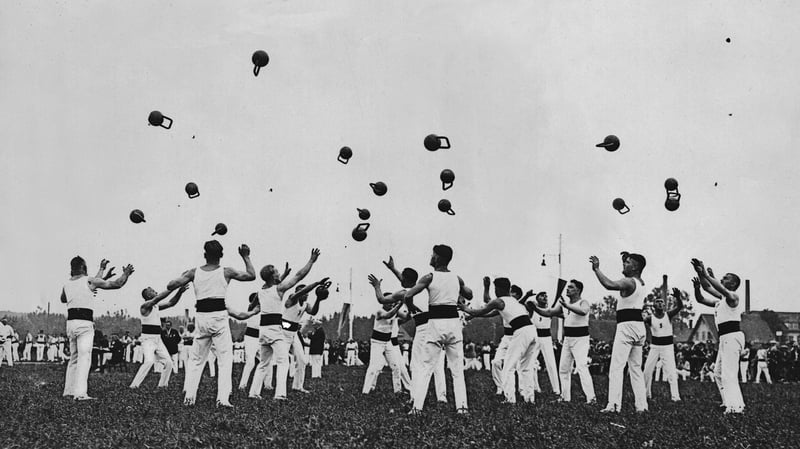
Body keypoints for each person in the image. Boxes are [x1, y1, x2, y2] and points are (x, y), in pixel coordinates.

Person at [167, 240, 256, 407]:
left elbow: (170, 285)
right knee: (224, 359)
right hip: (219, 317)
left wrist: (185, 275)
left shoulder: (194, 272)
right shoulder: (226, 271)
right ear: (221, 255)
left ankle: (189, 398)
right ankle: (222, 399)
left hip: (202, 318)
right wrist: (246, 256)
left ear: (204, 255)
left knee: (196, 360)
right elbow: (251, 275)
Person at [404, 244, 473, 414]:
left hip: (435, 324)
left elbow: (407, 295)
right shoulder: (457, 278)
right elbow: (470, 294)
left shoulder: (429, 277)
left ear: (438, 258)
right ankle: (462, 407)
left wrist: (411, 307)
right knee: (457, 370)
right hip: (453, 324)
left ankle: (417, 408)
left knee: (426, 367)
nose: (431, 257)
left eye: (433, 255)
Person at [248, 249, 321, 401]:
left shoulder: (261, 291)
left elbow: (252, 307)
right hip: (276, 330)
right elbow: (299, 275)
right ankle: (280, 395)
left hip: (264, 330)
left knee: (263, 363)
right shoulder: (280, 289)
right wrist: (311, 261)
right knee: (283, 362)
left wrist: (284, 275)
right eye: (276, 272)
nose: (278, 273)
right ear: (272, 276)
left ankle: (253, 393)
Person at [61, 256, 134, 399]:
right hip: (84, 323)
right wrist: (126, 273)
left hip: (71, 323)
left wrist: (101, 269)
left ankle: (68, 391)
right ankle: (80, 393)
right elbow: (116, 284)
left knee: (74, 358)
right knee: (84, 357)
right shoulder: (89, 280)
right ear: (83, 267)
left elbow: (63, 299)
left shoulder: (67, 284)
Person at [380, 256, 447, 404]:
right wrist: (393, 269)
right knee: (437, 364)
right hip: (436, 325)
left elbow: (383, 299)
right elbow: (406, 282)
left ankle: (415, 397)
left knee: (416, 365)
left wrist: (376, 287)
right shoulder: (422, 289)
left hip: (423, 328)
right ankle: (442, 397)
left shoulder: (407, 292)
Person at [461, 277, 537, 404]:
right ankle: (530, 399)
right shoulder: (512, 301)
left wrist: (465, 308)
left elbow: (482, 309)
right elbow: (487, 313)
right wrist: (471, 315)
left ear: (498, 289)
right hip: (532, 331)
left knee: (508, 367)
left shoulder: (500, 301)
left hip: (521, 332)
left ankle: (509, 399)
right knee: (525, 367)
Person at [590, 252, 648, 413]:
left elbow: (609, 284)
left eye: (628, 262)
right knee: (636, 369)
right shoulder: (640, 282)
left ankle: (614, 405)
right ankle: (642, 406)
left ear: (635, 266)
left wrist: (596, 269)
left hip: (627, 327)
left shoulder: (629, 282)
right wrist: (626, 260)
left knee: (616, 367)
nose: (624, 264)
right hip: (638, 326)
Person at [691, 259, 745, 414]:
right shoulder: (720, 301)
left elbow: (714, 285)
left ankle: (735, 407)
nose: (722, 279)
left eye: (726, 278)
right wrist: (700, 273)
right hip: (724, 338)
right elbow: (704, 292)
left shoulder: (733, 297)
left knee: (729, 372)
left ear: (733, 284)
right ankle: (728, 402)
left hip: (732, 336)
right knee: (718, 373)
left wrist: (706, 274)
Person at [532, 280, 595, 404]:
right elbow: (549, 312)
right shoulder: (563, 305)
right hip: (568, 339)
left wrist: (567, 306)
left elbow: (583, 311)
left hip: (581, 339)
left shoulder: (583, 302)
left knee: (582, 367)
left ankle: (591, 398)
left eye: (571, 287)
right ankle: (565, 397)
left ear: (578, 290)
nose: (567, 289)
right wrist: (535, 308)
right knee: (563, 369)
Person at [130, 285, 188, 389]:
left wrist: (179, 292)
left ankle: (162, 385)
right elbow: (158, 298)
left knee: (169, 363)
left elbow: (171, 303)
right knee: (149, 361)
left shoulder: (156, 306)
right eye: (152, 290)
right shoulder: (145, 306)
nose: (155, 291)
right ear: (148, 295)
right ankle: (134, 386)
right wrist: (173, 287)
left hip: (158, 339)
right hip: (148, 340)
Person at [283, 279, 330, 394]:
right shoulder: (292, 299)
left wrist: (318, 298)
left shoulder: (305, 305)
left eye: (307, 293)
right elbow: (301, 292)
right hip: (283, 332)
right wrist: (316, 283)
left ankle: (298, 386)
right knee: (281, 361)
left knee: (302, 360)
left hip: (294, 333)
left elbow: (313, 312)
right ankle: (272, 386)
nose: (307, 295)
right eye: (304, 293)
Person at [362, 281, 408, 394]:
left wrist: (410, 307)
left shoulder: (394, 311)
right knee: (373, 367)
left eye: (392, 301)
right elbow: (388, 315)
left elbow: (406, 317)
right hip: (377, 342)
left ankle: (398, 390)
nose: (391, 303)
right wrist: (399, 305)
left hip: (388, 342)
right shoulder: (379, 311)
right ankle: (366, 391)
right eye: (389, 301)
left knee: (396, 366)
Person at [643, 288, 683, 402]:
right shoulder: (650, 318)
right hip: (655, 347)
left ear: (664, 305)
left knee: (671, 371)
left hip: (667, 347)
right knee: (647, 370)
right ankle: (646, 395)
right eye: (658, 301)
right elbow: (640, 320)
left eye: (662, 302)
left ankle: (675, 397)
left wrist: (678, 297)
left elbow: (679, 307)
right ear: (654, 305)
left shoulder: (668, 315)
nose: (660, 303)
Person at [526, 291, 561, 396]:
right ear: (537, 299)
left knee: (551, 364)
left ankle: (556, 390)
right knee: (530, 363)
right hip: (535, 337)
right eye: (542, 295)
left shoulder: (550, 310)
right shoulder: (532, 309)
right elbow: (527, 304)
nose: (545, 297)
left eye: (546, 295)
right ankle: (535, 387)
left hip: (546, 338)